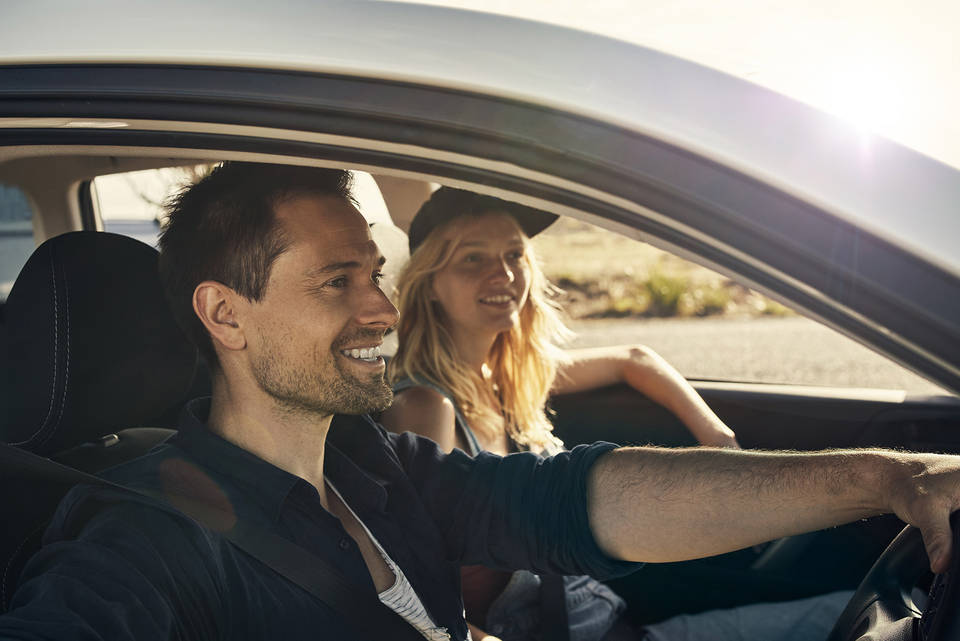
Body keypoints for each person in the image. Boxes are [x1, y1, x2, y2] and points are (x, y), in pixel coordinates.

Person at [2, 162, 960, 641]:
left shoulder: (374, 466)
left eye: (375, 273)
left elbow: (572, 500)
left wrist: (892, 478)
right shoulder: (147, 535)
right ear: (226, 315)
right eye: (338, 281)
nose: (383, 307)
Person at [378, 188, 813, 640]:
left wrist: (720, 441)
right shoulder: (426, 408)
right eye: (473, 259)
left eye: (514, 255)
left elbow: (634, 359)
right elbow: (423, 594)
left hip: (607, 619)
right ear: (429, 283)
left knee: (838, 612)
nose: (503, 273)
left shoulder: (510, 376)